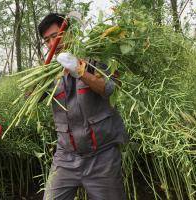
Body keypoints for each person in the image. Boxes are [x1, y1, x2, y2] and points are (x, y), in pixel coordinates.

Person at [38, 13, 129, 199]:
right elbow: (33, 96)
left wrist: (80, 71)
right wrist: (33, 86)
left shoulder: (96, 57)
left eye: (55, 36)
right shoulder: (50, 71)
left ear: (70, 32)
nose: (51, 44)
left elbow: (110, 88)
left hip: (101, 157)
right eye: (46, 40)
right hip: (65, 157)